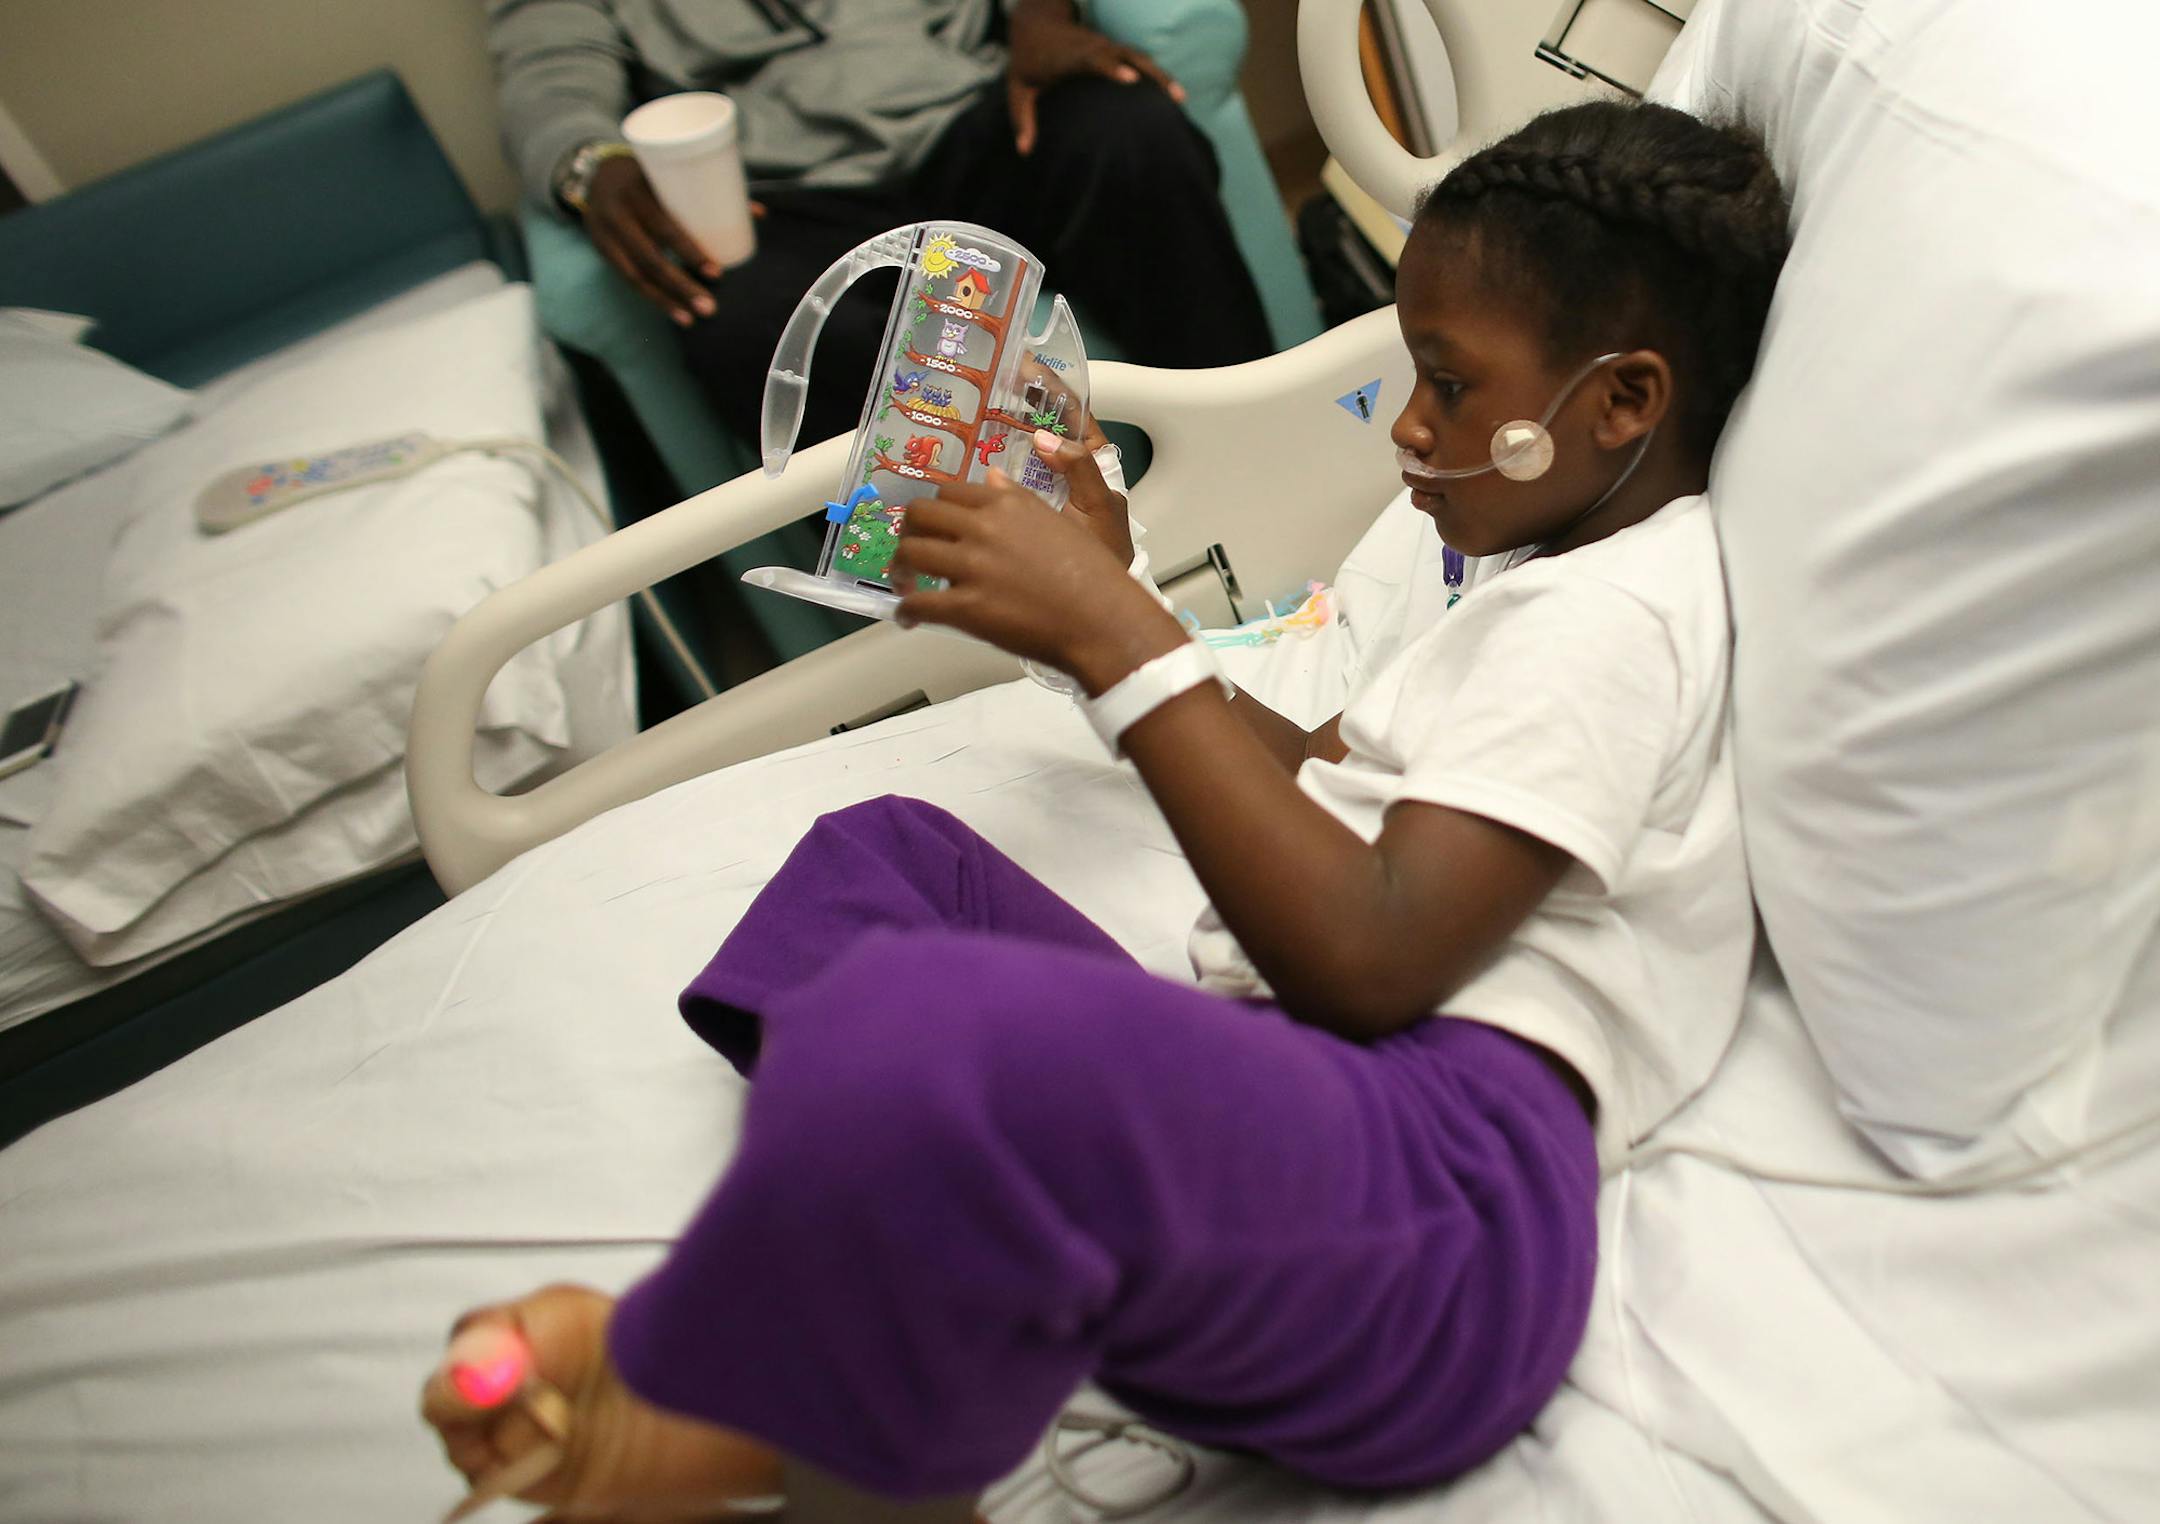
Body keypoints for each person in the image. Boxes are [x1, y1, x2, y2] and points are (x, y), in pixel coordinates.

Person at [421, 100, 1790, 1522]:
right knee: (883, 868)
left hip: (1444, 1225)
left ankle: (752, 1415)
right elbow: (1303, 776)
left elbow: (1377, 961)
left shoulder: (1619, 618)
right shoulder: (1533, 580)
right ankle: (916, 1251)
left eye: (1447, 381)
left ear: (1625, 400)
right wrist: (1120, 607)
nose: (1411, 422)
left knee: (912, 1018)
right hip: (1337, 1147)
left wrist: (1118, 651)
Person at [487, 0, 1277, 448]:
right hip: (782, 193)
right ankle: (959, 618)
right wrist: (594, 166)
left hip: (974, 117)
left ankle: (1254, 447)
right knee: (738, 321)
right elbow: (549, 69)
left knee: (1130, 133)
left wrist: (1042, 13)